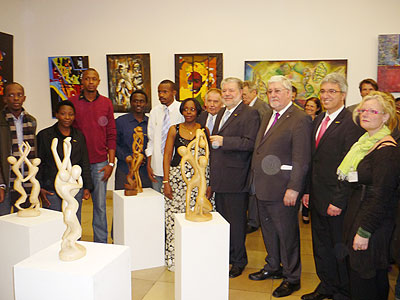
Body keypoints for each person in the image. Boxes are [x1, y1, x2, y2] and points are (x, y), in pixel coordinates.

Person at [301, 73, 364, 300]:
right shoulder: (318, 120)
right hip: (317, 196)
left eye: (332, 92)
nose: (326, 96)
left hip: (337, 201)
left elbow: (350, 167)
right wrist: (307, 190)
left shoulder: (351, 123)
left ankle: (343, 291)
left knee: (339, 247)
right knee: (321, 246)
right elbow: (313, 160)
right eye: (323, 91)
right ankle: (326, 285)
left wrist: (338, 200)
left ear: (344, 95)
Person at [248, 75, 311, 298]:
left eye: (277, 91)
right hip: (263, 187)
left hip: (283, 189)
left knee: (287, 235)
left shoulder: (300, 118)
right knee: (269, 232)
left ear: (289, 93)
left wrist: (294, 188)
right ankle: (273, 266)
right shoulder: (268, 116)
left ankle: (292, 278)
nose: (272, 95)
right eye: (270, 91)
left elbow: (301, 157)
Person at [335, 93, 400, 300]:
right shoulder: (364, 142)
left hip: (373, 224)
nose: (365, 114)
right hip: (359, 212)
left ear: (385, 117)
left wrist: (364, 232)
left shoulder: (386, 150)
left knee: (366, 278)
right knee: (365, 276)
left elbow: (381, 196)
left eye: (373, 111)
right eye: (363, 110)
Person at [209, 77, 260, 278]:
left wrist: (224, 141)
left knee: (237, 224)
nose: (227, 94)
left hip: (236, 178)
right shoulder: (222, 111)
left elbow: (250, 143)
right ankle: (228, 257)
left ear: (241, 92)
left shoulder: (250, 113)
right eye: (224, 91)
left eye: (231, 90)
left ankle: (239, 261)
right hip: (220, 177)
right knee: (224, 222)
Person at [162, 98, 212, 270]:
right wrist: (166, 182)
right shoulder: (174, 130)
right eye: (186, 109)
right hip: (177, 179)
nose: (189, 112)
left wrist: (209, 183)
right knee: (174, 218)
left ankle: (195, 258)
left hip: (199, 180)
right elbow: (167, 156)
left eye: (192, 109)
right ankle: (174, 259)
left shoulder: (204, 130)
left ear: (198, 112)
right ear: (182, 111)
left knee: (197, 218)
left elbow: (209, 158)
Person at [70, 68, 116, 243]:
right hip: (76, 165)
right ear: (82, 81)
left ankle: (101, 244)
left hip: (99, 163)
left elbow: (111, 134)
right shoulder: (72, 102)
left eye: (94, 79)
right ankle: (75, 242)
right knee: (75, 206)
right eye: (87, 79)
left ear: (98, 82)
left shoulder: (106, 103)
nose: (90, 82)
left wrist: (111, 163)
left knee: (101, 207)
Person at [37, 100, 93, 223]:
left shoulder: (79, 136)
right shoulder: (44, 135)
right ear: (56, 114)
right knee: (54, 222)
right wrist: (40, 187)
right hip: (51, 187)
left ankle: (74, 242)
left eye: (71, 114)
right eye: (63, 113)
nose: (67, 117)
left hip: (74, 187)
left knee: (74, 220)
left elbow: (84, 161)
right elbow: (39, 163)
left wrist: (87, 187)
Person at [0, 82, 37, 215]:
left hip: (25, 181)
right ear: (5, 99)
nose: (16, 98)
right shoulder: (1, 121)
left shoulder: (31, 121)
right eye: (11, 95)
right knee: (3, 222)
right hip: (6, 182)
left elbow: (33, 153)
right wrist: (1, 185)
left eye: (19, 95)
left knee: (22, 221)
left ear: (24, 98)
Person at [242, 80, 271, 234]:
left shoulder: (261, 108)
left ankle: (254, 221)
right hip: (247, 154)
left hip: (257, 155)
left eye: (245, 94)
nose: (243, 97)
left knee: (254, 189)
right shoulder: (247, 107)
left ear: (254, 93)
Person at [145, 80, 184, 192]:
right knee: (157, 203)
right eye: (159, 92)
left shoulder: (182, 110)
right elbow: (151, 140)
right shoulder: (155, 112)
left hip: (176, 167)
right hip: (156, 166)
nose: (161, 95)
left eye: (165, 92)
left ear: (174, 92)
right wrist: (149, 164)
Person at [115, 90, 151, 190]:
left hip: (144, 171)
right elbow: (113, 144)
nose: (138, 104)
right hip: (124, 169)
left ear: (146, 103)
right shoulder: (120, 122)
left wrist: (145, 157)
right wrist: (126, 156)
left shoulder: (151, 123)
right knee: (124, 200)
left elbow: (154, 145)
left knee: (144, 200)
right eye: (135, 101)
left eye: (141, 101)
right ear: (131, 103)